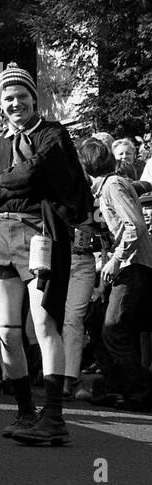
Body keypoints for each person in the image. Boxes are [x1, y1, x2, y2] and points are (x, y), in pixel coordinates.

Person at [0, 65, 91, 444]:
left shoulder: (53, 134)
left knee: (44, 325)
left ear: (34, 99)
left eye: (22, 96)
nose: (15, 102)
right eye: (8, 98)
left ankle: (53, 417)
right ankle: (24, 413)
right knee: (7, 329)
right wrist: (9, 186)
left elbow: (38, 171)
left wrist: (0, 185)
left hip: (37, 235)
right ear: (0, 105)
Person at [78, 138, 152, 411]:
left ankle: (140, 391)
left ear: (86, 166)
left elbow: (135, 225)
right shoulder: (109, 186)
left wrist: (116, 260)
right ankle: (116, 385)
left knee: (114, 330)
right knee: (97, 322)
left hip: (133, 266)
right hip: (129, 265)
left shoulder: (112, 186)